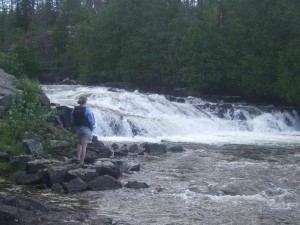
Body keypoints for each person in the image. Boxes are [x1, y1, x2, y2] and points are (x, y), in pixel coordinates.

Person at [71, 95, 95, 167]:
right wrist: (92, 126)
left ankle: (77, 158)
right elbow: (92, 121)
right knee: (84, 146)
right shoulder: (87, 109)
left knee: (79, 144)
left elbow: (72, 120)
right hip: (86, 130)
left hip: (77, 130)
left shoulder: (74, 109)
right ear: (86, 101)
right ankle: (81, 162)